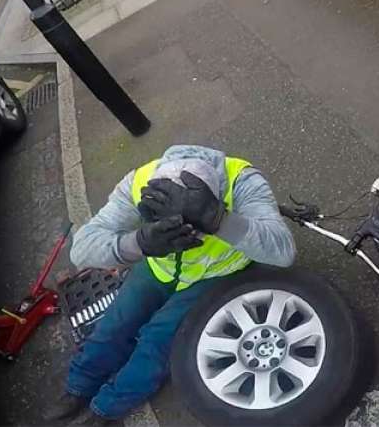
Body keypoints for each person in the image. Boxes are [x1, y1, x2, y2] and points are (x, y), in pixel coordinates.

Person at [44, 145, 296, 424]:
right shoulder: (138, 182)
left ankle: (106, 408)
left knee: (159, 341)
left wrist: (219, 220)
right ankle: (78, 387)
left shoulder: (242, 180)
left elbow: (282, 251)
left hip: (216, 274)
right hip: (158, 267)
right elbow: (82, 250)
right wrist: (139, 243)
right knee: (116, 323)